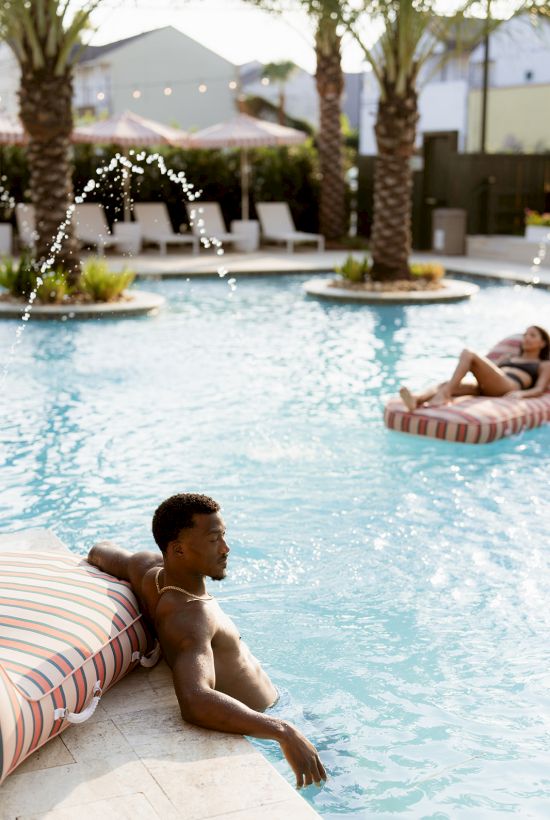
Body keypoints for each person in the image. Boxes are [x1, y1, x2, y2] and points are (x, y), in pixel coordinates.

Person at [87, 493, 326, 790]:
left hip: (282, 707)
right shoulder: (190, 617)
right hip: (262, 719)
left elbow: (100, 551)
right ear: (179, 550)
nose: (226, 549)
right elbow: (195, 699)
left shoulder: (148, 570)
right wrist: (283, 731)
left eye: (223, 535)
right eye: (214, 540)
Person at [399, 325, 550, 411]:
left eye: (532, 335)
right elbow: (488, 373)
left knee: (468, 354)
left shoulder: (543, 364)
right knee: (445, 384)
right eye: (525, 335)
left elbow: (539, 388)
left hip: (507, 386)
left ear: (543, 343)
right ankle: (416, 399)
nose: (526, 338)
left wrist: (521, 395)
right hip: (485, 387)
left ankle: (445, 395)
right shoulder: (508, 358)